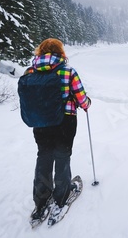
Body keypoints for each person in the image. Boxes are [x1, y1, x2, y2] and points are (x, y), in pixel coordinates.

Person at [25, 38, 91, 223]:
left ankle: (41, 200)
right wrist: (87, 104)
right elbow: (81, 99)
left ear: (40, 51)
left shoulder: (31, 71)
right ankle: (62, 196)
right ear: (60, 52)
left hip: (40, 122)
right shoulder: (68, 71)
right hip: (64, 121)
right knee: (62, 156)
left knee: (44, 156)